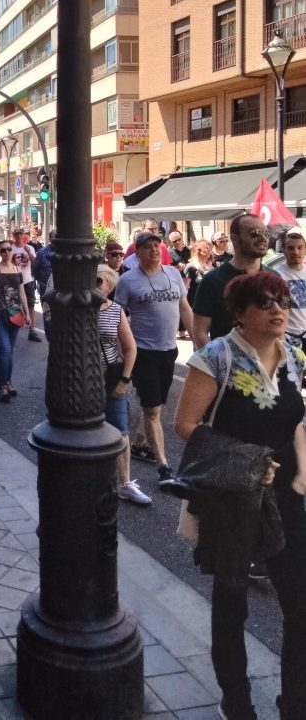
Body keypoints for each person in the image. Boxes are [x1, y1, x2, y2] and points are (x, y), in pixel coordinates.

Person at [174, 272, 306, 720]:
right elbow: (185, 425)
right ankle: (237, 701)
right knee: (232, 605)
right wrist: (250, 461)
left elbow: (295, 421)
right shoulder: (215, 357)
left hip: (287, 497)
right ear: (239, 314)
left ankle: (295, 703)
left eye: (282, 301)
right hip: (232, 499)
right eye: (265, 303)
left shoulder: (294, 356)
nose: (278, 310)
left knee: (300, 604)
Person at [115, 230, 194, 487]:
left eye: (156, 246)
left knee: (157, 404)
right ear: (137, 252)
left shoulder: (173, 274)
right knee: (153, 410)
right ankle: (163, 466)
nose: (153, 250)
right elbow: (118, 315)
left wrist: (197, 341)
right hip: (143, 352)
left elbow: (185, 308)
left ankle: (140, 443)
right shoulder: (127, 280)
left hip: (169, 350)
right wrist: (123, 348)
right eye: (147, 246)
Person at [96, 265, 150, 506]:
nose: (93, 285)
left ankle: (125, 483)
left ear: (109, 286)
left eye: (98, 281)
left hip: (111, 377)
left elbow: (130, 348)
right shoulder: (78, 310)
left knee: (121, 430)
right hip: (84, 381)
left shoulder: (115, 311)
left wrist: (124, 380)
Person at [192, 214, 267, 350]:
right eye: (255, 233)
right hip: (226, 360)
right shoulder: (212, 280)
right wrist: (220, 359)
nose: (263, 238)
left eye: (266, 233)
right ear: (235, 239)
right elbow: (200, 332)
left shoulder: (274, 278)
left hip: (267, 361)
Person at [0, 239, 30, 402]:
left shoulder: (17, 270)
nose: (6, 252)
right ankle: (2, 386)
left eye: (9, 249)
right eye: (3, 250)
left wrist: (27, 313)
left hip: (15, 314)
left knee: (9, 351)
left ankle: (9, 382)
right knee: (5, 350)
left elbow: (22, 293)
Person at [274, 228, 306, 349]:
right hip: (288, 336)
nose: (296, 252)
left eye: (300, 247)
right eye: (291, 248)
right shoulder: (277, 275)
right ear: (284, 251)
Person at [11, 228, 41, 342]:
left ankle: (32, 331)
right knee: (14, 305)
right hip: (14, 280)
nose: (19, 236)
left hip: (28, 280)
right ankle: (13, 328)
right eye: (16, 234)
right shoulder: (10, 248)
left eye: (21, 234)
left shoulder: (29, 247)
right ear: (13, 235)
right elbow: (6, 264)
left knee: (31, 305)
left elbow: (35, 262)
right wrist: (14, 263)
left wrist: (29, 253)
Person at [184, 238, 214, 310]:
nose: (209, 250)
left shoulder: (212, 267)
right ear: (198, 250)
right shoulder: (191, 266)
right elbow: (184, 289)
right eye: (206, 248)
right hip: (194, 305)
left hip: (210, 305)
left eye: (210, 248)